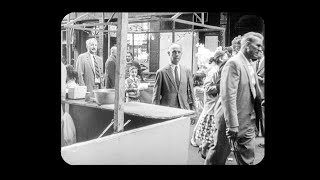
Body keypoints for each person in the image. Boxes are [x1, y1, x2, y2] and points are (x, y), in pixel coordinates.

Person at [217, 32, 264, 165]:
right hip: (232, 122)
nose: (261, 49)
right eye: (258, 45)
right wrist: (232, 124)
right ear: (247, 45)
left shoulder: (250, 62)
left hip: (248, 121)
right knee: (217, 158)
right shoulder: (233, 63)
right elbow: (228, 96)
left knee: (247, 159)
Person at [194, 49, 229, 157]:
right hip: (213, 107)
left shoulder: (221, 70)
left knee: (214, 131)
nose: (228, 58)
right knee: (211, 131)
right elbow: (207, 88)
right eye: (226, 56)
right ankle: (204, 149)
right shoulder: (214, 71)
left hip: (218, 105)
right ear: (221, 58)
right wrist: (219, 87)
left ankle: (207, 150)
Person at [152, 43, 195, 111]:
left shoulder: (187, 70)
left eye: (179, 52)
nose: (177, 54)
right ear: (169, 53)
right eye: (174, 52)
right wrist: (155, 112)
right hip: (168, 110)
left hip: (184, 109)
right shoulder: (161, 72)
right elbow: (156, 96)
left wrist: (194, 110)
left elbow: (191, 93)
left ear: (181, 54)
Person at [190, 72, 206, 147]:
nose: (205, 79)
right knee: (199, 123)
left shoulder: (200, 87)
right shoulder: (197, 88)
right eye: (203, 78)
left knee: (202, 123)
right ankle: (193, 139)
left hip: (202, 105)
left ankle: (203, 141)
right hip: (199, 106)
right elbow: (206, 91)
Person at [253, 50, 265, 147]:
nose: (257, 54)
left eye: (258, 52)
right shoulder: (254, 63)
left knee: (263, 116)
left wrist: (260, 79)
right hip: (255, 92)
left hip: (263, 92)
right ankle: (256, 132)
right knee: (256, 113)